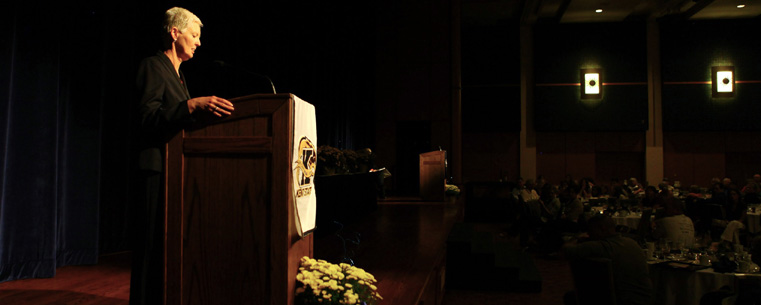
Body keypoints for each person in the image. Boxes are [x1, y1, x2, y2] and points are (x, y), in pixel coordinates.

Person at [132, 7, 234, 305]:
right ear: (174, 33)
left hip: (175, 169)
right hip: (155, 169)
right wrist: (190, 106)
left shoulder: (178, 76)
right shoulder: (153, 65)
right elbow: (146, 118)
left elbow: (176, 119)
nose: (198, 42)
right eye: (194, 35)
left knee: (167, 247)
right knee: (150, 246)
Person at [563, 215, 653, 305]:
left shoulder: (600, 247)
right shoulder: (632, 243)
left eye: (590, 230)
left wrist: (576, 238)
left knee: (572, 296)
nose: (589, 234)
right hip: (645, 298)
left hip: (622, 300)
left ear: (602, 229)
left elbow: (566, 251)